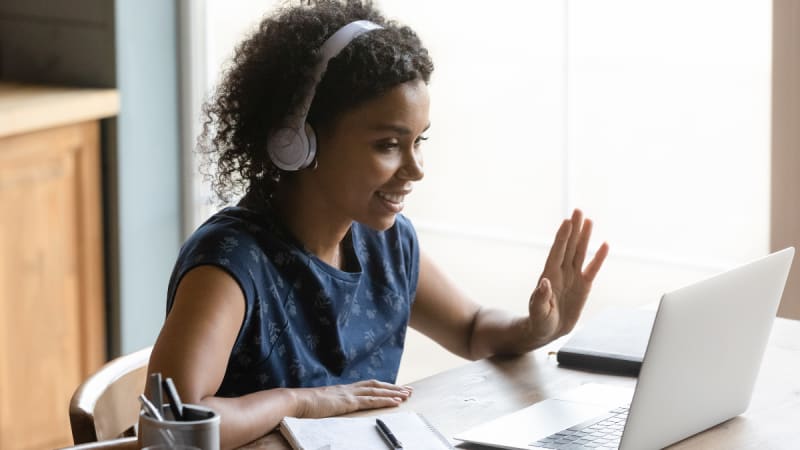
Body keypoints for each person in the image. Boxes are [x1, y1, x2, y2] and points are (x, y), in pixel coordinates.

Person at [148, 1, 609, 448]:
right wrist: (300, 402)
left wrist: (535, 328)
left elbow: (470, 328)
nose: (416, 168)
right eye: (389, 144)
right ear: (298, 140)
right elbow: (171, 423)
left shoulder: (385, 242)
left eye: (419, 141)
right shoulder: (230, 265)